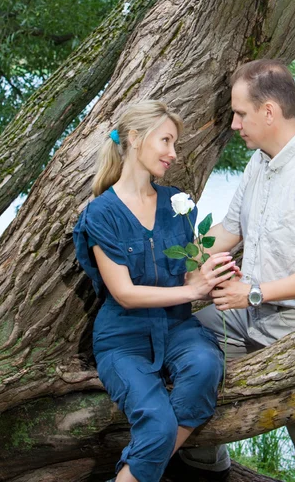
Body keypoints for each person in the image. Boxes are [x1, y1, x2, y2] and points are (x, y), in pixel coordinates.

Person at [173, 59, 295, 482]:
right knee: (181, 343)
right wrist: (179, 261)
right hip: (242, 317)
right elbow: (229, 231)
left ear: (269, 112)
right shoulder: (260, 162)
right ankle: (204, 469)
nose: (234, 124)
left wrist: (251, 293)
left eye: (240, 113)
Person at [73, 101, 236, 482]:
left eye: (174, 143)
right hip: (123, 340)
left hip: (178, 329)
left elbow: (192, 272)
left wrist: (214, 277)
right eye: (166, 141)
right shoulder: (102, 213)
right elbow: (125, 294)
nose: (173, 153)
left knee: (206, 367)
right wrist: (190, 291)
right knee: (158, 422)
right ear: (134, 138)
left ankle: (138, 470)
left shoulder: (178, 204)